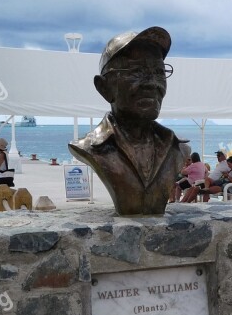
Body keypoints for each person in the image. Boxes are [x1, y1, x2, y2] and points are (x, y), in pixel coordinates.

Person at [68, 26, 188, 215]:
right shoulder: (91, 148)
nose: (151, 83)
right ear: (104, 87)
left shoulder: (178, 148)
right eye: (136, 71)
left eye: (158, 72)